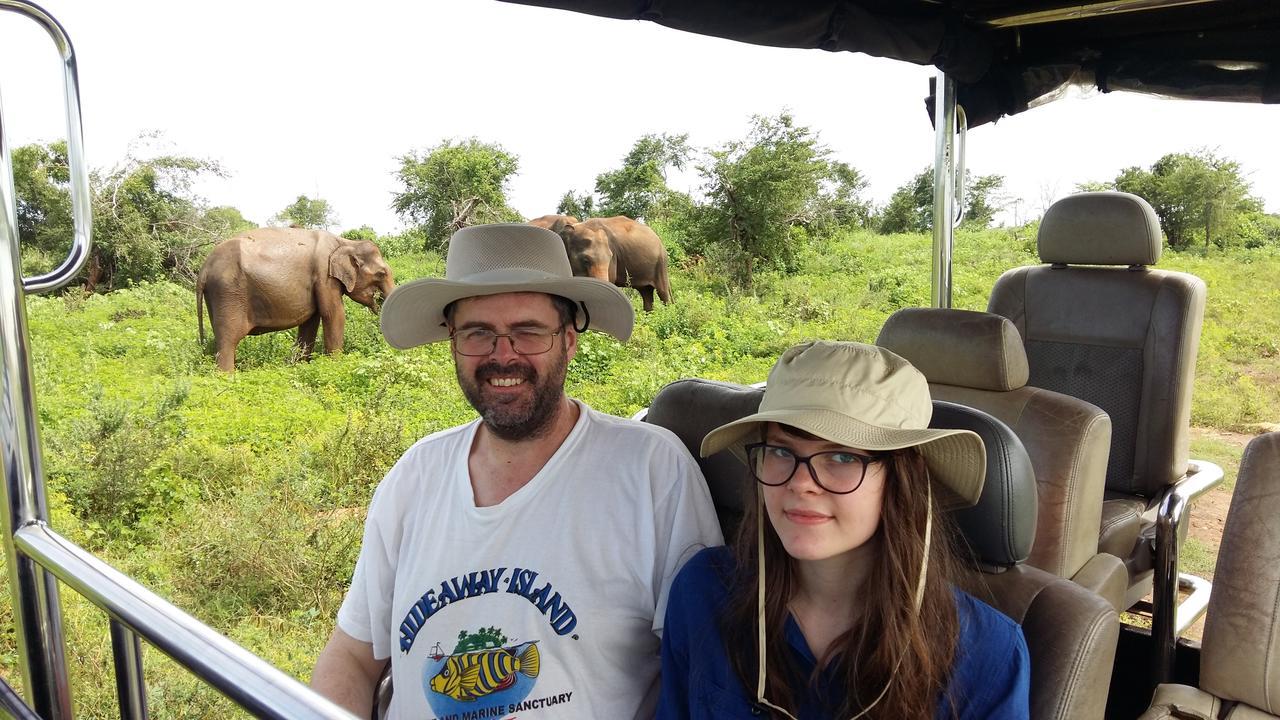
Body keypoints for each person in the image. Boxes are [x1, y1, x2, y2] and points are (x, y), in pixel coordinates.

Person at [312, 223, 722, 719]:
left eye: (528, 331)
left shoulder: (653, 470)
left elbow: (703, 669)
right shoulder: (415, 474)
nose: (502, 355)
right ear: (452, 344)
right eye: (478, 333)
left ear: (569, 342)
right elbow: (354, 657)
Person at [657, 341, 1030, 719]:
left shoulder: (987, 654)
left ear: (900, 481)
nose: (801, 483)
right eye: (782, 452)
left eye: (842, 456)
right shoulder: (702, 592)